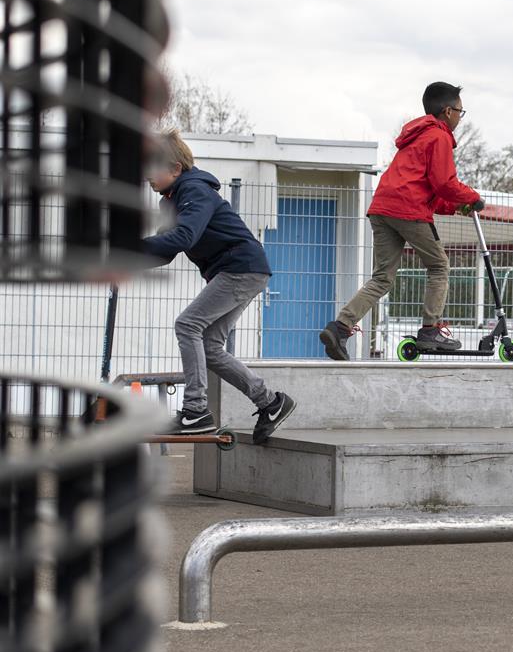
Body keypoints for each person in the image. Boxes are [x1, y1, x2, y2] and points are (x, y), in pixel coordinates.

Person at [143, 130, 297, 444]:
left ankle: (195, 411)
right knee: (210, 346)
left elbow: (184, 237)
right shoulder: (171, 201)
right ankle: (270, 402)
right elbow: (166, 251)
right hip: (240, 270)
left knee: (188, 324)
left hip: (240, 267)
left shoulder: (195, 191)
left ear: (174, 168)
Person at [320, 81, 482, 360]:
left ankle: (340, 326)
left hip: (383, 207)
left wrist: (458, 205)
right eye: (460, 111)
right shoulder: (439, 136)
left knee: (382, 277)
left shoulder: (415, 137)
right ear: (447, 111)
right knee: (439, 266)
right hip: (407, 209)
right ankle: (430, 331)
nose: (460, 117)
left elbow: (430, 188)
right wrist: (473, 196)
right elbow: (445, 183)